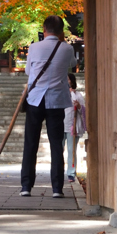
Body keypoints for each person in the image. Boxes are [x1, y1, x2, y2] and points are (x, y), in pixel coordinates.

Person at [20, 15, 77, 198]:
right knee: (56, 145)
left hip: (35, 99)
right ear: (61, 32)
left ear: (44, 29)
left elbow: (29, 71)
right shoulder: (67, 48)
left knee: (30, 144)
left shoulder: (34, 47)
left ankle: (26, 187)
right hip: (56, 101)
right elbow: (73, 65)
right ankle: (57, 189)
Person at [64, 73, 86, 183]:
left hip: (72, 126)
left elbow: (83, 111)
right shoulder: (61, 94)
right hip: (61, 125)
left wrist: (78, 106)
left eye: (68, 80)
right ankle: (57, 172)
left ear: (72, 81)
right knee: (58, 150)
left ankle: (71, 173)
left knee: (71, 150)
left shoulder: (78, 95)